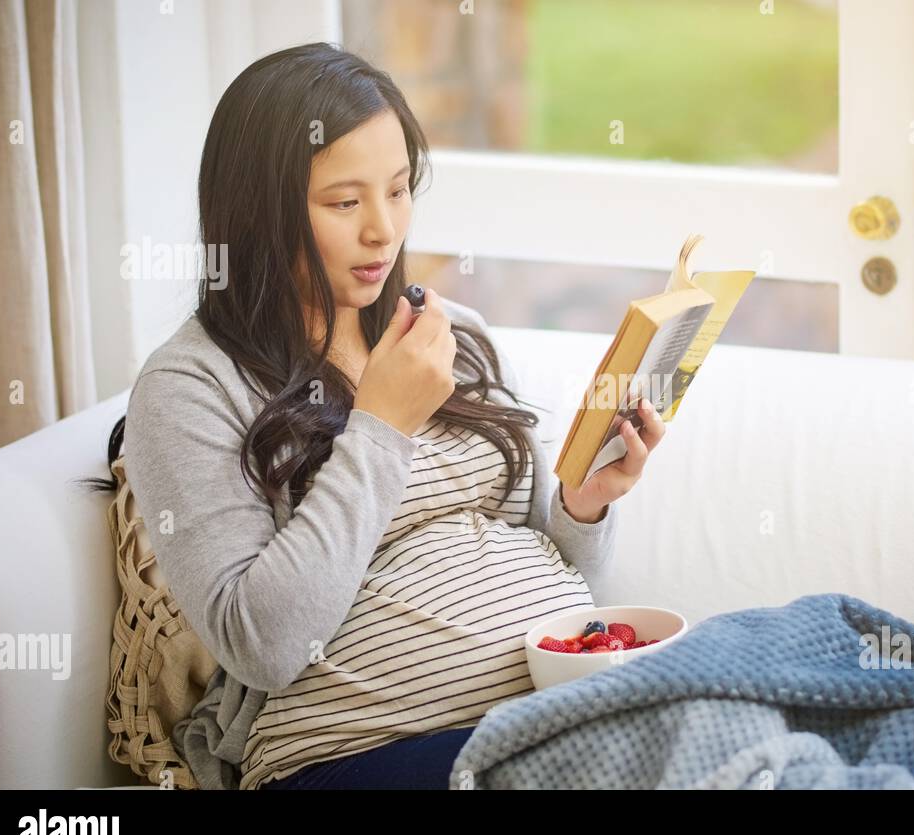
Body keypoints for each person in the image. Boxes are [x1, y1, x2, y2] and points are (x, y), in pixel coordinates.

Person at [85, 43, 664, 790]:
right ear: (257, 212)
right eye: (345, 202)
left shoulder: (448, 331)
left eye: (398, 190)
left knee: (779, 662)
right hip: (353, 756)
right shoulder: (189, 385)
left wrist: (584, 505)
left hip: (551, 711)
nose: (383, 231)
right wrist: (381, 425)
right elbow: (262, 643)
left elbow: (560, 578)